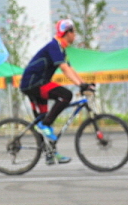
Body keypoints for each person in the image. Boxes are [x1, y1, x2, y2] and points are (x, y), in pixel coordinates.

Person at [19, 18, 90, 164]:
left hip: (40, 83)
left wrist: (84, 84)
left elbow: (69, 68)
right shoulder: (54, 46)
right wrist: (79, 85)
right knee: (66, 95)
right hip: (32, 84)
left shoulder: (61, 49)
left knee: (44, 119)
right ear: (67, 32)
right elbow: (64, 69)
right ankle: (45, 126)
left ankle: (50, 154)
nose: (75, 35)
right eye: (74, 32)